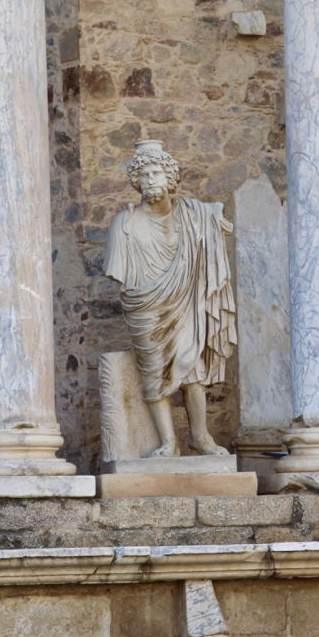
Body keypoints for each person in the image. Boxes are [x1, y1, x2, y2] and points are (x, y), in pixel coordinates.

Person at [104, 140, 236, 457]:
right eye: (145, 175)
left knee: (193, 371)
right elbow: (120, 273)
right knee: (155, 373)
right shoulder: (124, 224)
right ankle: (167, 442)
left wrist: (215, 218)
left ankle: (200, 436)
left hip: (184, 301)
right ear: (136, 182)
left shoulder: (193, 214)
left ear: (170, 178)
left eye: (157, 173)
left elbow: (218, 223)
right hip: (145, 306)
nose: (151, 180)